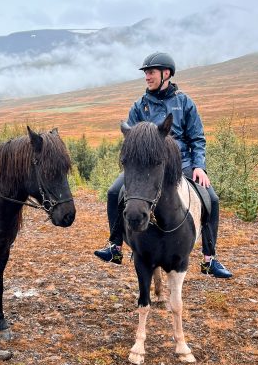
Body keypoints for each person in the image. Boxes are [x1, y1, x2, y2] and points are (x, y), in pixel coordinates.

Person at [94, 52, 232, 279]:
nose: (147, 77)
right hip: (148, 166)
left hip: (183, 162)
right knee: (114, 192)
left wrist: (199, 166)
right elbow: (131, 138)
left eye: (151, 72)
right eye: (146, 73)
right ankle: (115, 246)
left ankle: (209, 259)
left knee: (212, 200)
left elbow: (197, 138)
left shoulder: (184, 102)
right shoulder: (139, 106)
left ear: (165, 73)